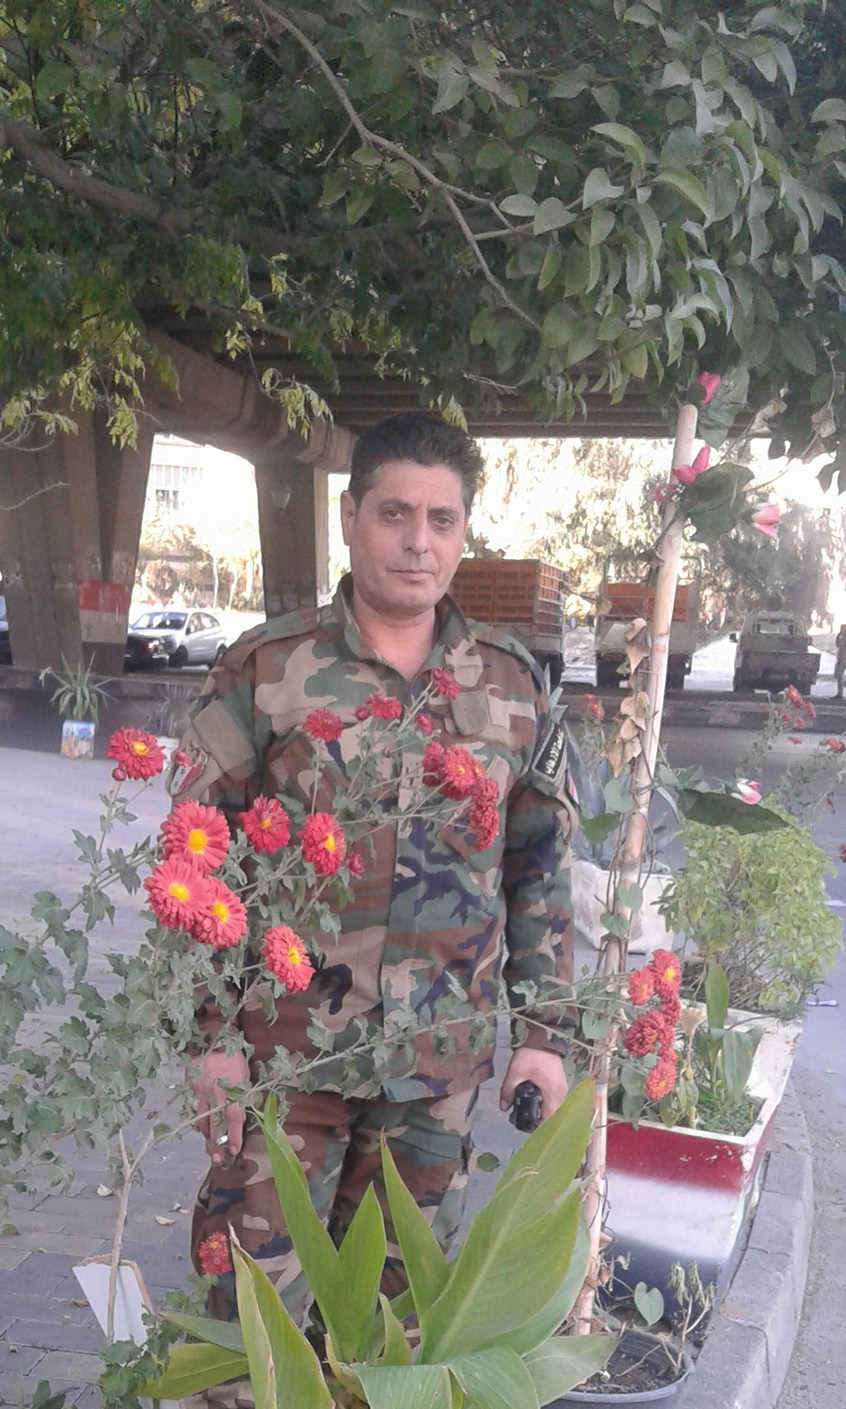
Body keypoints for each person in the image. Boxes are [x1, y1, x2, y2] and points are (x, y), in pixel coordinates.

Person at [177, 411, 576, 1357]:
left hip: (435, 1073)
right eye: (395, 514)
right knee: (248, 1327)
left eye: (442, 520)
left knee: (398, 1338)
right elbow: (195, 864)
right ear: (350, 518)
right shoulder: (267, 671)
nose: (418, 542)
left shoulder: (510, 686)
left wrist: (545, 1040)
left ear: (463, 532)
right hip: (286, 1065)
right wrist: (210, 1038)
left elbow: (541, 870)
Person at [835, 624, 846, 698]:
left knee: (839, 675)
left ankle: (840, 694)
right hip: (840, 657)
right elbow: (837, 645)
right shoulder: (841, 636)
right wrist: (838, 636)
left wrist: (843, 659)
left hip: (844, 659)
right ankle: (840, 693)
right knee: (837, 675)